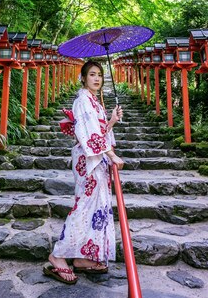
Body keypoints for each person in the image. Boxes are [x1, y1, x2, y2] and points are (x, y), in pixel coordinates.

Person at [43, 60, 124, 284]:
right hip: (89, 161)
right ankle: (58, 255)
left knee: (95, 208)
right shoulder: (82, 101)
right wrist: (112, 155)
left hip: (98, 160)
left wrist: (112, 121)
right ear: (83, 78)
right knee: (84, 207)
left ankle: (81, 257)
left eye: (99, 75)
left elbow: (99, 131)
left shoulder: (95, 103)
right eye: (92, 75)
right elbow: (87, 134)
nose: (96, 78)